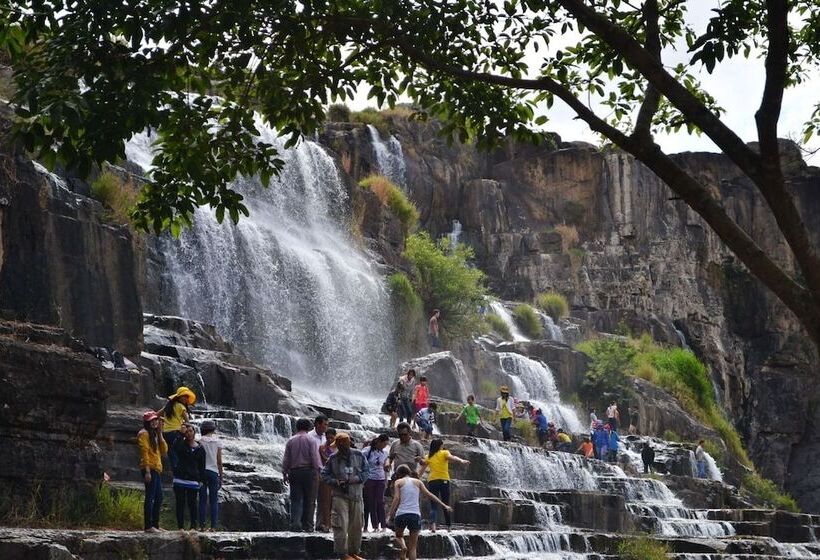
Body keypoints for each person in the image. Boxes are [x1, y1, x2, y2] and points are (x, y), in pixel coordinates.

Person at [320, 432, 370, 560]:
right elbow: (324, 474)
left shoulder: (359, 455)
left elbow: (367, 472)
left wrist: (356, 479)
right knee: (340, 525)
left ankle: (354, 553)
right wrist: (336, 482)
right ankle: (342, 554)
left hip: (357, 495)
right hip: (339, 496)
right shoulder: (333, 459)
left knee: (356, 526)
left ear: (346, 443)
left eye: (340, 445)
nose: (339, 448)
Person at [388, 464, 451, 560]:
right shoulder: (418, 482)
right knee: (413, 548)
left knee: (398, 536)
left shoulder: (398, 482)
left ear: (399, 474)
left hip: (401, 514)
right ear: (409, 472)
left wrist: (390, 514)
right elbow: (429, 494)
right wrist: (444, 505)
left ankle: (403, 547)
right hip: (415, 515)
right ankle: (407, 549)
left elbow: (396, 498)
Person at [417, 438, 469, 533]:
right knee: (446, 503)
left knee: (433, 505)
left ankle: (433, 526)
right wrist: (461, 461)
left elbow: (421, 470)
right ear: (440, 446)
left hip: (432, 481)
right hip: (444, 480)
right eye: (442, 445)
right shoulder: (444, 452)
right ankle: (448, 527)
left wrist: (416, 479)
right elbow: (452, 457)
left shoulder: (428, 456)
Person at [282, 417, 322, 532]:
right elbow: (314, 457)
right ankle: (308, 526)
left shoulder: (291, 440)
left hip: (294, 472)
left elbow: (286, 458)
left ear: (297, 427)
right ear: (309, 428)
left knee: (296, 499)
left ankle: (295, 524)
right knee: (310, 499)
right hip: (309, 472)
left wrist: (285, 472)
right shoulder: (311, 440)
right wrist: (318, 471)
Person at [137, 410, 168, 532]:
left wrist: (160, 434)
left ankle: (155, 524)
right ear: (147, 422)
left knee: (159, 497)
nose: (155, 422)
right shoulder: (144, 434)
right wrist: (148, 471)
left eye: (156, 420)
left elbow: (164, 450)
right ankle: (148, 526)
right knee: (150, 497)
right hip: (149, 468)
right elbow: (144, 452)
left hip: (156, 468)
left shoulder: (154, 434)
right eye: (152, 420)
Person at [172, 423, 205, 530]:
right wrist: (180, 434)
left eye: (191, 431)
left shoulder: (200, 448)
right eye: (187, 432)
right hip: (180, 478)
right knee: (180, 504)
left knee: (193, 504)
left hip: (193, 480)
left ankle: (193, 526)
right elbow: (175, 447)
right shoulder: (181, 444)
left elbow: (202, 466)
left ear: (194, 433)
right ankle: (180, 527)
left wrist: (201, 480)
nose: (189, 433)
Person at [197, 419, 223, 531]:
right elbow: (219, 461)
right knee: (213, 500)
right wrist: (221, 476)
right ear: (213, 429)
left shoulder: (200, 441)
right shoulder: (217, 442)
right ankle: (213, 527)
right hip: (213, 472)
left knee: (202, 500)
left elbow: (198, 459)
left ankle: (202, 526)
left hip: (202, 472)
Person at [162, 386, 196, 468]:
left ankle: (174, 468)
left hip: (165, 433)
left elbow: (159, 413)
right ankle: (178, 468)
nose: (185, 398)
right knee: (178, 451)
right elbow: (187, 421)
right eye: (184, 396)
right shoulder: (181, 407)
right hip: (175, 433)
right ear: (179, 397)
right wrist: (187, 429)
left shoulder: (169, 405)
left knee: (170, 450)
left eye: (186, 397)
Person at [362, 434, 390, 533]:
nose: (384, 446)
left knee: (380, 502)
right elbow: (361, 464)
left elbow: (386, 465)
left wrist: (386, 478)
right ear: (379, 442)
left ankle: (383, 525)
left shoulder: (385, 453)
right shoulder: (367, 451)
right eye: (384, 444)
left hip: (381, 479)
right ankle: (375, 526)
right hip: (369, 479)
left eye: (386, 445)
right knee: (371, 502)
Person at [310, 415, 329, 530]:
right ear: (317, 424)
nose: (326, 427)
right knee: (312, 499)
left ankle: (320, 524)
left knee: (323, 499)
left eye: (327, 425)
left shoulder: (325, 438)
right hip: (313, 470)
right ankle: (309, 524)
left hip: (324, 471)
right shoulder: (309, 437)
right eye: (324, 424)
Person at [317, 428, 338, 532]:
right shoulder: (322, 448)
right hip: (326, 478)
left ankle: (335, 524)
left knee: (336, 502)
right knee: (326, 502)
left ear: (335, 437)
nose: (329, 439)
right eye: (327, 437)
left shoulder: (338, 448)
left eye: (331, 437)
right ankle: (327, 524)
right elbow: (323, 461)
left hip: (337, 478)